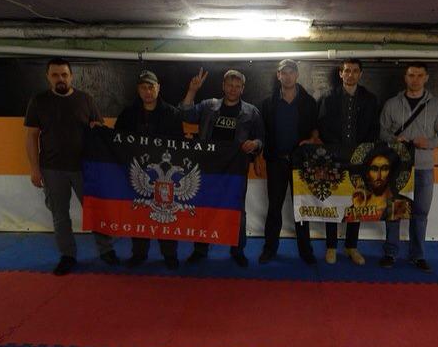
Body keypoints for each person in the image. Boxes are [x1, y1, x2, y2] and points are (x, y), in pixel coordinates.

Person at [24, 57, 118, 276]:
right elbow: (31, 136)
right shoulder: (38, 101)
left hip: (85, 167)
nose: (60, 79)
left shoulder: (85, 100)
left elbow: (99, 129)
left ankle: (106, 250)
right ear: (48, 77)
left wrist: (97, 127)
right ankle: (67, 255)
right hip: (52, 168)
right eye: (55, 75)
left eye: (64, 74)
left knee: (96, 210)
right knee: (59, 214)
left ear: (71, 76)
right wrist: (34, 168)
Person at [180, 68, 264, 267]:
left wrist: (254, 144)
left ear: (242, 89)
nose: (233, 89)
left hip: (235, 170)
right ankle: (200, 249)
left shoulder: (251, 112)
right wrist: (192, 91)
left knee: (237, 210)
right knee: (204, 208)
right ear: (223, 86)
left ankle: (237, 250)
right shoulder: (208, 106)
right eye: (230, 85)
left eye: (237, 86)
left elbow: (261, 139)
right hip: (207, 168)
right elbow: (185, 114)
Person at [379, 62, 438, 272]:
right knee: (394, 211)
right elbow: (381, 132)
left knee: (420, 213)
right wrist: (393, 139)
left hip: (423, 168)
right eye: (411, 75)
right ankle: (390, 253)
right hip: (397, 167)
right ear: (405, 77)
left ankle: (417, 256)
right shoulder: (392, 104)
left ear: (426, 78)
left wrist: (428, 143)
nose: (415, 79)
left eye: (419, 75)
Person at [114, 70, 183, 270]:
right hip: (137, 173)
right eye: (143, 87)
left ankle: (170, 254)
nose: (148, 91)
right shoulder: (127, 114)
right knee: (140, 213)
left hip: (164, 176)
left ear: (158, 88)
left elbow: (179, 145)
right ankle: (139, 253)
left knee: (165, 213)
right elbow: (116, 140)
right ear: (138, 90)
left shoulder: (172, 114)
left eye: (151, 87)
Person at [258, 59, 320, 264]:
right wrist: (260, 156)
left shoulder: (309, 102)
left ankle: (305, 251)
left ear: (297, 74)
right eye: (283, 73)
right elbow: (262, 132)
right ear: (278, 75)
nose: (287, 76)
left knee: (301, 208)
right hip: (276, 161)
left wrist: (312, 139)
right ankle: (269, 249)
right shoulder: (268, 103)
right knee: (274, 208)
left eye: (291, 72)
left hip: (300, 163)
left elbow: (316, 129)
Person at [317, 59, 379, 265]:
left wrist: (363, 151)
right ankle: (331, 246)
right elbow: (322, 126)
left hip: (360, 159)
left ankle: (352, 246)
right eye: (347, 71)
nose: (350, 74)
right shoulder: (328, 98)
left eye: (355, 71)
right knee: (332, 202)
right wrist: (336, 149)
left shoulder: (370, 99)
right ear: (340, 74)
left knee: (357, 201)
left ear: (360, 74)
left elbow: (374, 128)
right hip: (334, 158)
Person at [346, 142, 412, 222]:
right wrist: (358, 209)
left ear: (391, 172)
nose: (379, 175)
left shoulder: (401, 204)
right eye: (374, 169)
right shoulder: (358, 205)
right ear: (367, 174)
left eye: (384, 169)